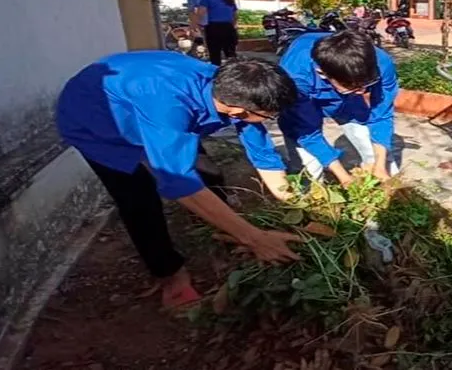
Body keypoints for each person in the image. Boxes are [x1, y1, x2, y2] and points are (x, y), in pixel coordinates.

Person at [56, 53, 303, 309]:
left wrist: (295, 204)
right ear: (238, 111)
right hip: (98, 121)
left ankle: (222, 234)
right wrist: (255, 237)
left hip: (152, 107)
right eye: (270, 116)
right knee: (138, 199)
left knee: (208, 173)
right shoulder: (171, 106)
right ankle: (170, 275)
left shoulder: (232, 88)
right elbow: (180, 184)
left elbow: (262, 152)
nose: (271, 120)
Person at [279, 30, 399, 186]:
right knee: (309, 168)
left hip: (347, 100)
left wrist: (380, 165)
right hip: (303, 96)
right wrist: (344, 177)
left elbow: (381, 114)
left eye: (366, 84)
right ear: (322, 74)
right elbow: (307, 132)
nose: (362, 92)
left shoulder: (380, 63)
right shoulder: (295, 78)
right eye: (352, 87)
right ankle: (308, 197)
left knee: (378, 156)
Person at [191, 0, 239, 65]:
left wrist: (195, 25)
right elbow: (235, 15)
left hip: (214, 27)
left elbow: (200, 13)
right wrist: (233, 26)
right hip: (228, 27)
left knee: (215, 54)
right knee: (230, 54)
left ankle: (215, 73)